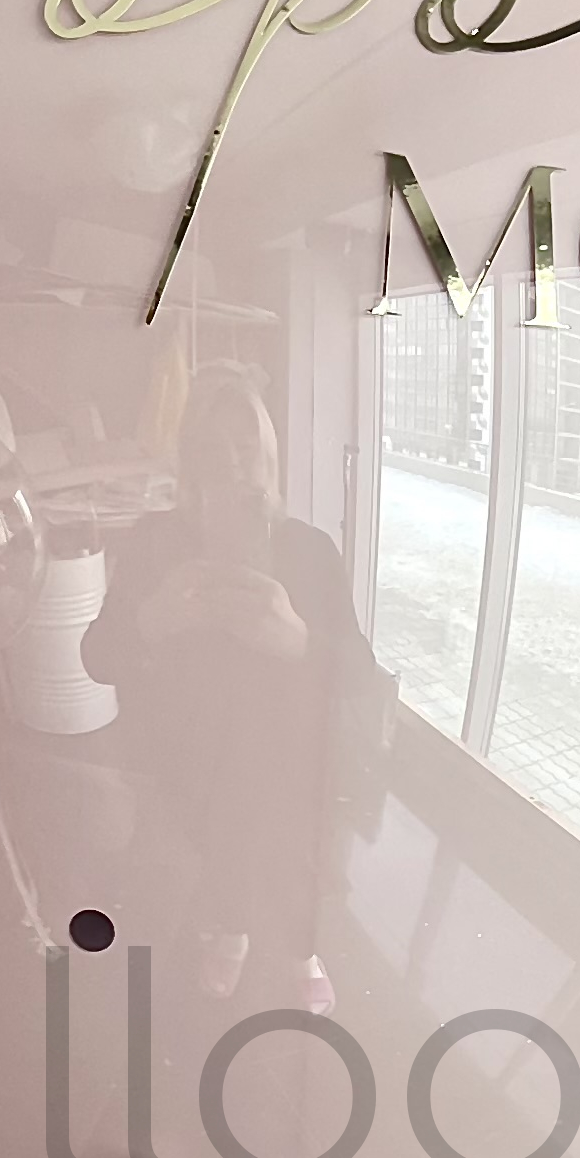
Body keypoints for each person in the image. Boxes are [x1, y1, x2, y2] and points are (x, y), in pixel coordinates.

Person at [84, 362, 367, 1004]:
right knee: (214, 848)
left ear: (270, 456)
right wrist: (155, 618)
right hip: (191, 751)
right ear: (189, 465)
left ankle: (300, 947)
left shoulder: (310, 550)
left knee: (294, 858)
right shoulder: (155, 542)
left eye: (246, 449)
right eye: (212, 452)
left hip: (288, 752)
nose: (233, 466)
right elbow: (97, 656)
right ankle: (232, 931)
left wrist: (297, 639)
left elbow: (360, 673)